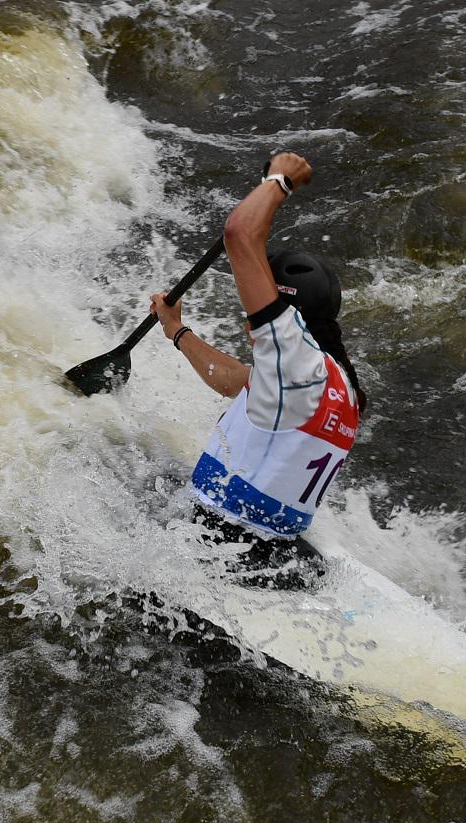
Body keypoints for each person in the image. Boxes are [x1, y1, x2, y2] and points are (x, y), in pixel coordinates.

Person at [148, 152, 370, 590]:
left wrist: (279, 181)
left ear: (290, 314)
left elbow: (239, 234)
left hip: (222, 549)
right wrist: (177, 331)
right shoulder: (336, 381)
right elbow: (234, 381)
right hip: (278, 547)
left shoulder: (296, 362)